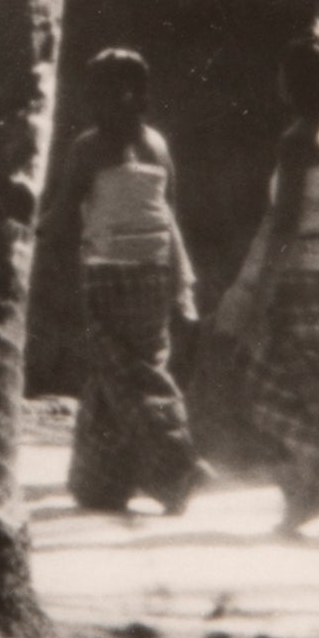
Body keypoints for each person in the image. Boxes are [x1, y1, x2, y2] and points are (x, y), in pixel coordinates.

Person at [216, 34, 319, 542]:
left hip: (310, 281)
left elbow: (285, 228)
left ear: (294, 85)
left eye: (286, 78)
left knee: (275, 384)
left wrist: (256, 299)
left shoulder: (298, 141)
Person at [43, 48, 206, 515]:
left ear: (132, 94)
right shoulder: (156, 145)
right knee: (125, 373)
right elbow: (168, 217)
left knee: (126, 374)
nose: (93, 102)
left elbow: (62, 215)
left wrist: (27, 231)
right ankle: (102, 483)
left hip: (112, 277)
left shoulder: (89, 148)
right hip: (151, 277)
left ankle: (180, 463)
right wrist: (179, 283)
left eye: (102, 92)